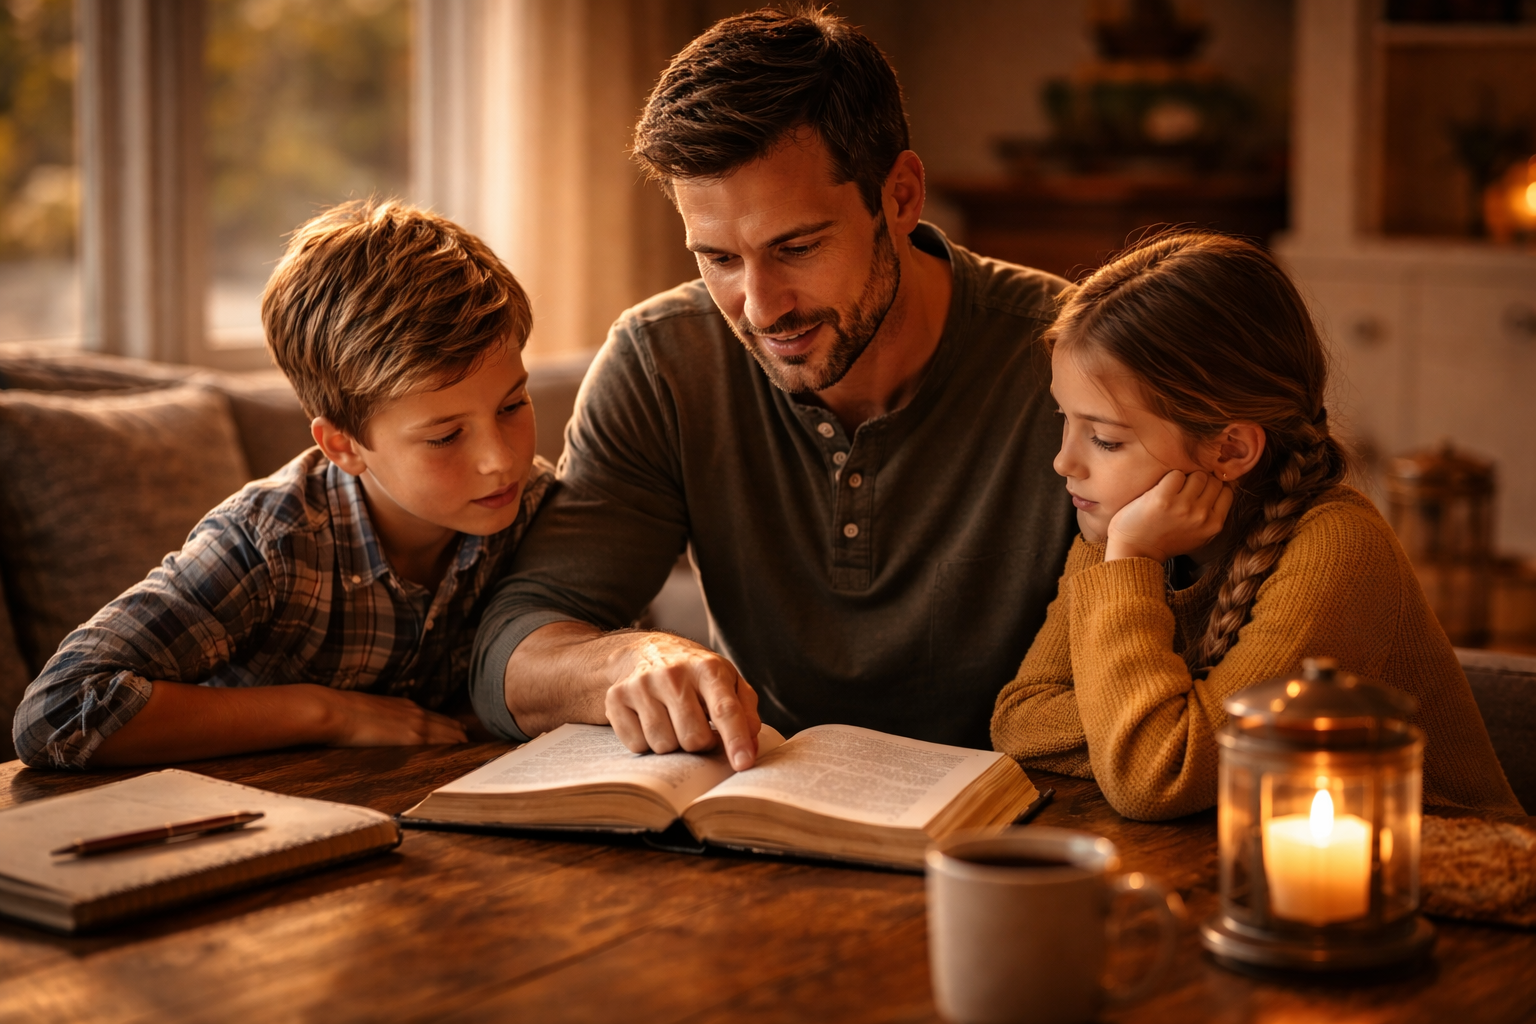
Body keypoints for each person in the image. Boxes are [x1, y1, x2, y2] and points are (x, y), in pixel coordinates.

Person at [470, 8, 1076, 769]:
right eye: (718, 258)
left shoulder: (1070, 358)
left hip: (1024, 830)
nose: (760, 308)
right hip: (763, 821)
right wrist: (627, 664)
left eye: (796, 247)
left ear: (901, 196)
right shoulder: (663, 361)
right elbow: (508, 652)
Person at [990, 231, 1523, 820]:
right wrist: (1165, 736)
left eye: (1106, 439)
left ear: (1232, 448)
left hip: (1434, 882)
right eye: (1065, 419)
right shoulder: (1115, 528)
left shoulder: (1335, 548)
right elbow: (1019, 721)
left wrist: (1131, 567)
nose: (1065, 462)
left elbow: (1159, 776)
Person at [12, 200, 554, 769]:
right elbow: (58, 713)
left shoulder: (543, 508)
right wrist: (327, 713)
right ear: (342, 445)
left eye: (513, 404)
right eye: (445, 437)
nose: (502, 460)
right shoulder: (272, 543)